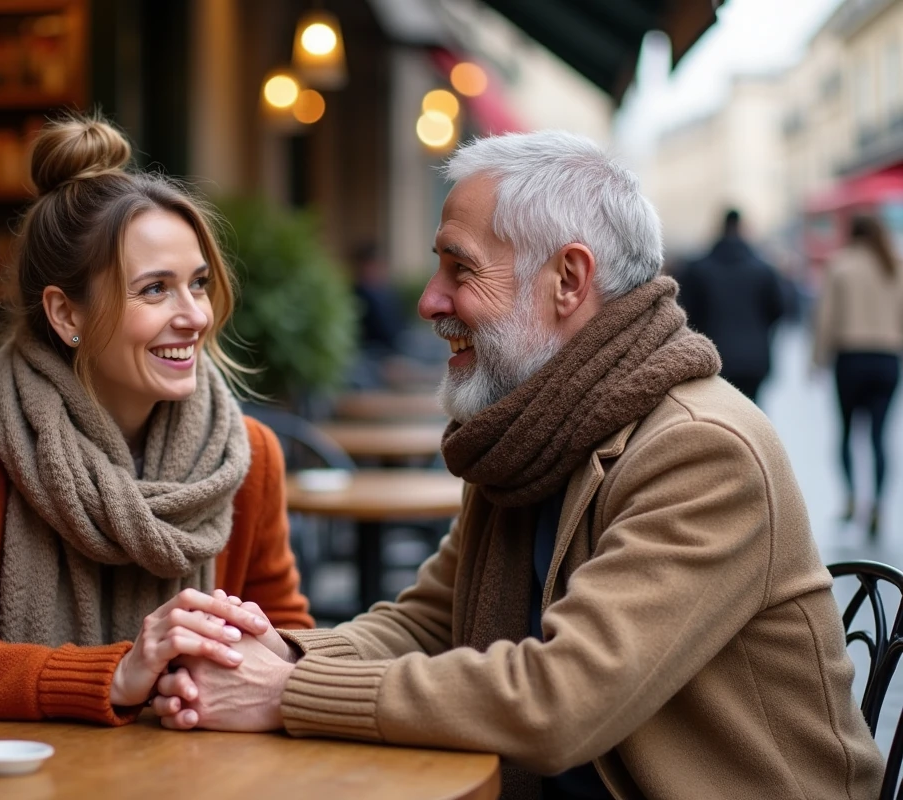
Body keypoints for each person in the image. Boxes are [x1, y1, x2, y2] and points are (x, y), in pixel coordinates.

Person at [149, 131, 884, 799]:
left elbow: (561, 702)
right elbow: (429, 622)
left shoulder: (704, 449)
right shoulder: (533, 432)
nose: (431, 300)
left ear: (568, 279)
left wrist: (287, 692)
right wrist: (268, 652)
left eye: (458, 268)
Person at [0, 114, 313, 726]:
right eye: (154, 290)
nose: (194, 316)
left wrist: (253, 652)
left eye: (198, 284)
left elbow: (287, 634)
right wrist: (117, 673)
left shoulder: (246, 457)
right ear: (66, 313)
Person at [813, 214, 903, 538]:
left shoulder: (840, 265)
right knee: (879, 437)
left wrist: (817, 359)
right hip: (887, 358)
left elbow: (826, 317)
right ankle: (878, 504)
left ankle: (851, 498)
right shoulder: (894, 265)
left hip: (851, 357)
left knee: (847, 432)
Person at [677, 208, 785, 403]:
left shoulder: (698, 269)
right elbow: (778, 310)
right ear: (742, 228)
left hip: (713, 357)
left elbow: (685, 313)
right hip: (754, 360)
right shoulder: (763, 270)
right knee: (751, 414)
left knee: (717, 418)